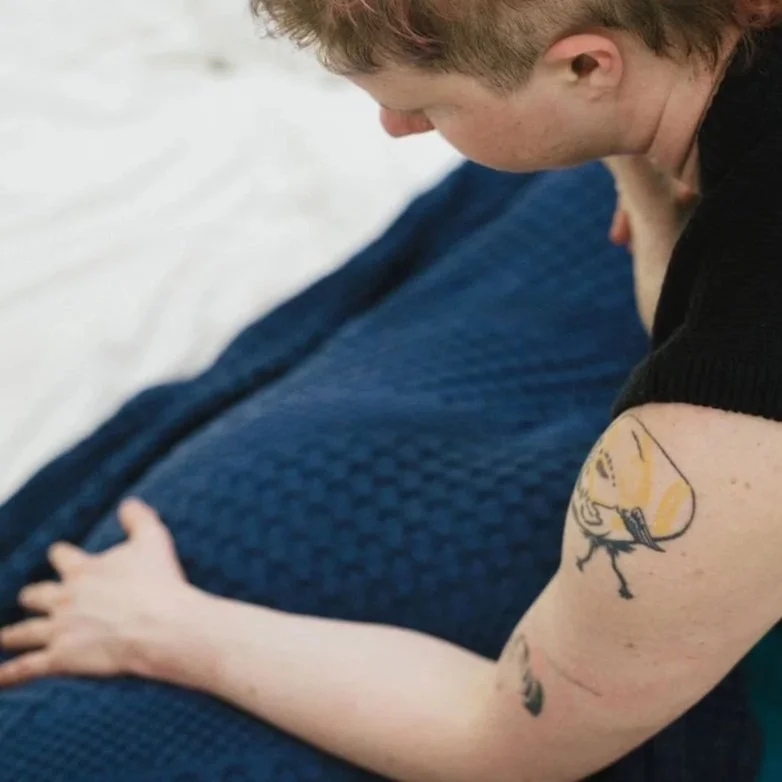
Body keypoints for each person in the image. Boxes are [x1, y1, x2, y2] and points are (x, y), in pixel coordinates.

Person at [1, 1, 781, 780]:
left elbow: (507, 746)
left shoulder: (721, 423)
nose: (395, 127)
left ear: (586, 66)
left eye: (428, 102)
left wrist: (162, 628)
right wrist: (643, 186)